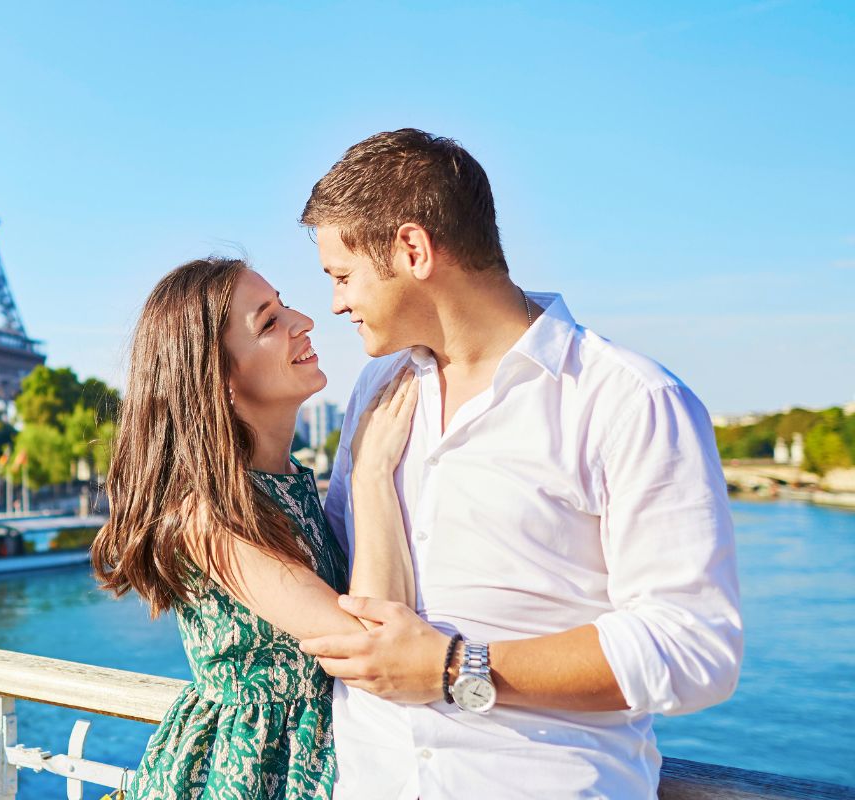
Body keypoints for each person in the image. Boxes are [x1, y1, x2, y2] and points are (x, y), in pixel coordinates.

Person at [295, 129, 744, 798]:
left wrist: (455, 666)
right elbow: (347, 582)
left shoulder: (630, 401)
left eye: (341, 275)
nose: (335, 303)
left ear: (413, 250)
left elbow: (694, 650)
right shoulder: (378, 391)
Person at [91, 256, 418, 799]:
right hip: (250, 774)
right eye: (268, 322)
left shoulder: (287, 482)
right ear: (218, 379)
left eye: (284, 304)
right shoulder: (205, 517)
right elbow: (370, 647)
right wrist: (373, 474)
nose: (303, 321)